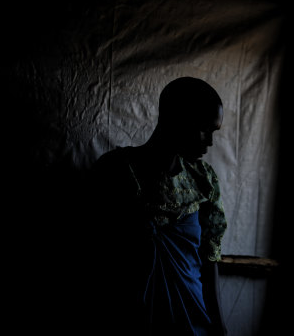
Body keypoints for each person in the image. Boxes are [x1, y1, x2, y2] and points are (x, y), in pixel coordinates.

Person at [89, 77, 227, 335]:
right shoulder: (117, 171)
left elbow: (209, 260)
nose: (209, 141)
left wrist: (218, 324)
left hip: (192, 320)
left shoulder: (203, 180)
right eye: (203, 128)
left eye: (214, 131)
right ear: (176, 118)